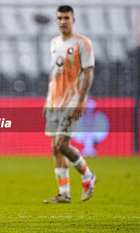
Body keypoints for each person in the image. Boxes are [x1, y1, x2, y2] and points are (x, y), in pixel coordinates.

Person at [43, 5, 96, 203]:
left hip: (72, 100)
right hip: (54, 102)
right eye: (60, 18)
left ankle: (88, 176)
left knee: (62, 144)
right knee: (55, 148)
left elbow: (88, 72)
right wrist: (47, 100)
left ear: (73, 19)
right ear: (56, 21)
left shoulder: (83, 43)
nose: (63, 21)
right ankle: (64, 193)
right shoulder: (54, 42)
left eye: (66, 17)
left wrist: (81, 100)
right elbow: (53, 74)